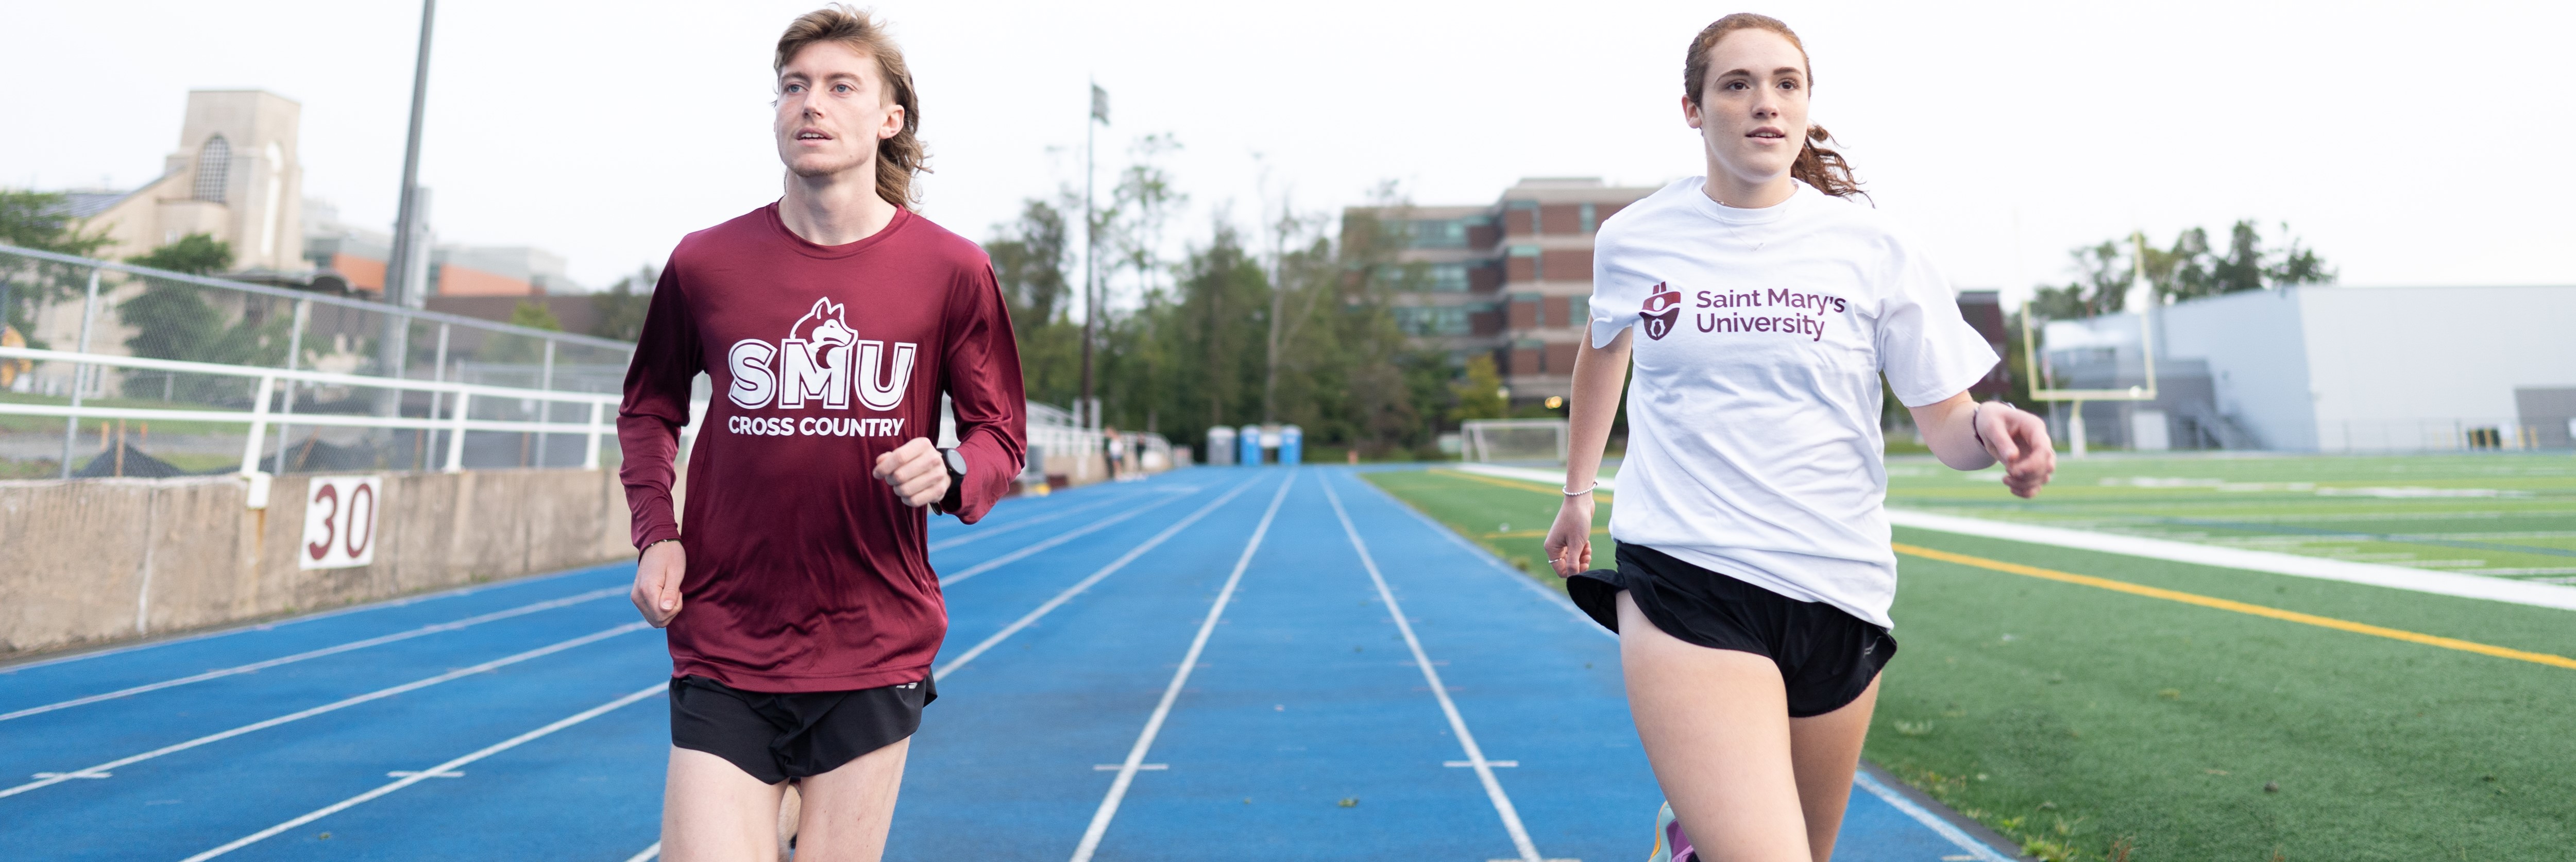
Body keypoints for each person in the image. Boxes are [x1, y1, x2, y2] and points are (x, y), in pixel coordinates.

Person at [1541, 14, 2056, 862]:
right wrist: (1578, 492)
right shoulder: (1635, 238)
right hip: (1688, 574)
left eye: (1787, 84)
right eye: (1736, 85)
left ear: (1808, 106)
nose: (1764, 104)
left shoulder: (1873, 247)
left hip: (1839, 592)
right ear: (1693, 109)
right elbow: (1603, 358)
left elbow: (1947, 423)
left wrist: (1990, 431)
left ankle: (1688, 841)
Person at [616, 7, 1025, 860]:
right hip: (727, 632)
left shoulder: (951, 269)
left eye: (841, 86)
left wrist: (950, 469)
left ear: (889, 119)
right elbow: (651, 407)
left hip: (872, 636)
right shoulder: (705, 262)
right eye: (795, 87)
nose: (812, 104)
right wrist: (658, 535)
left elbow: (999, 434)